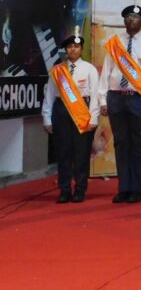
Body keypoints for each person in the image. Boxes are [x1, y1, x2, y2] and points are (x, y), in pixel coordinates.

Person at [99, 2, 141, 204]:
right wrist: (102, 99)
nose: (131, 20)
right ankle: (123, 188)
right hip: (116, 97)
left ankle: (136, 189)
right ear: (124, 21)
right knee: (121, 144)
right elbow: (107, 70)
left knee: (139, 145)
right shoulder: (115, 41)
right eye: (128, 17)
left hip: (139, 98)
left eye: (135, 17)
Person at [42, 27, 100, 203]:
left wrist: (94, 118)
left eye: (76, 46)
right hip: (61, 111)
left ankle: (80, 189)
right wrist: (47, 118)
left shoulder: (89, 69)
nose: (73, 49)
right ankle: (64, 189)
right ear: (65, 50)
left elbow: (95, 95)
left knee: (81, 153)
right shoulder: (58, 70)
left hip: (82, 110)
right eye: (69, 47)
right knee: (63, 152)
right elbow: (49, 95)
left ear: (81, 49)